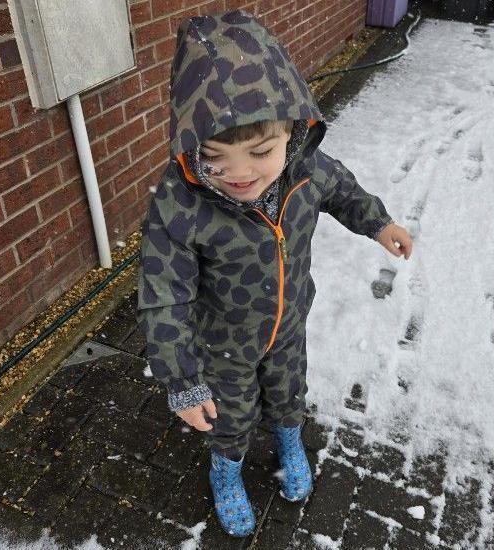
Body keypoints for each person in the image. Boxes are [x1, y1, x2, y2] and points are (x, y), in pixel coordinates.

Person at [136, 9, 413, 537]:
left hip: (288, 326)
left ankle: (289, 437)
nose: (239, 174)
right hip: (223, 344)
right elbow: (163, 295)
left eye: (260, 152)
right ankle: (227, 468)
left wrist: (379, 222)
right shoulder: (182, 204)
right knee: (231, 417)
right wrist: (182, 381)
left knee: (289, 390)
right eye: (215, 158)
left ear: (293, 131)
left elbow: (345, 192)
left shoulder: (308, 172)